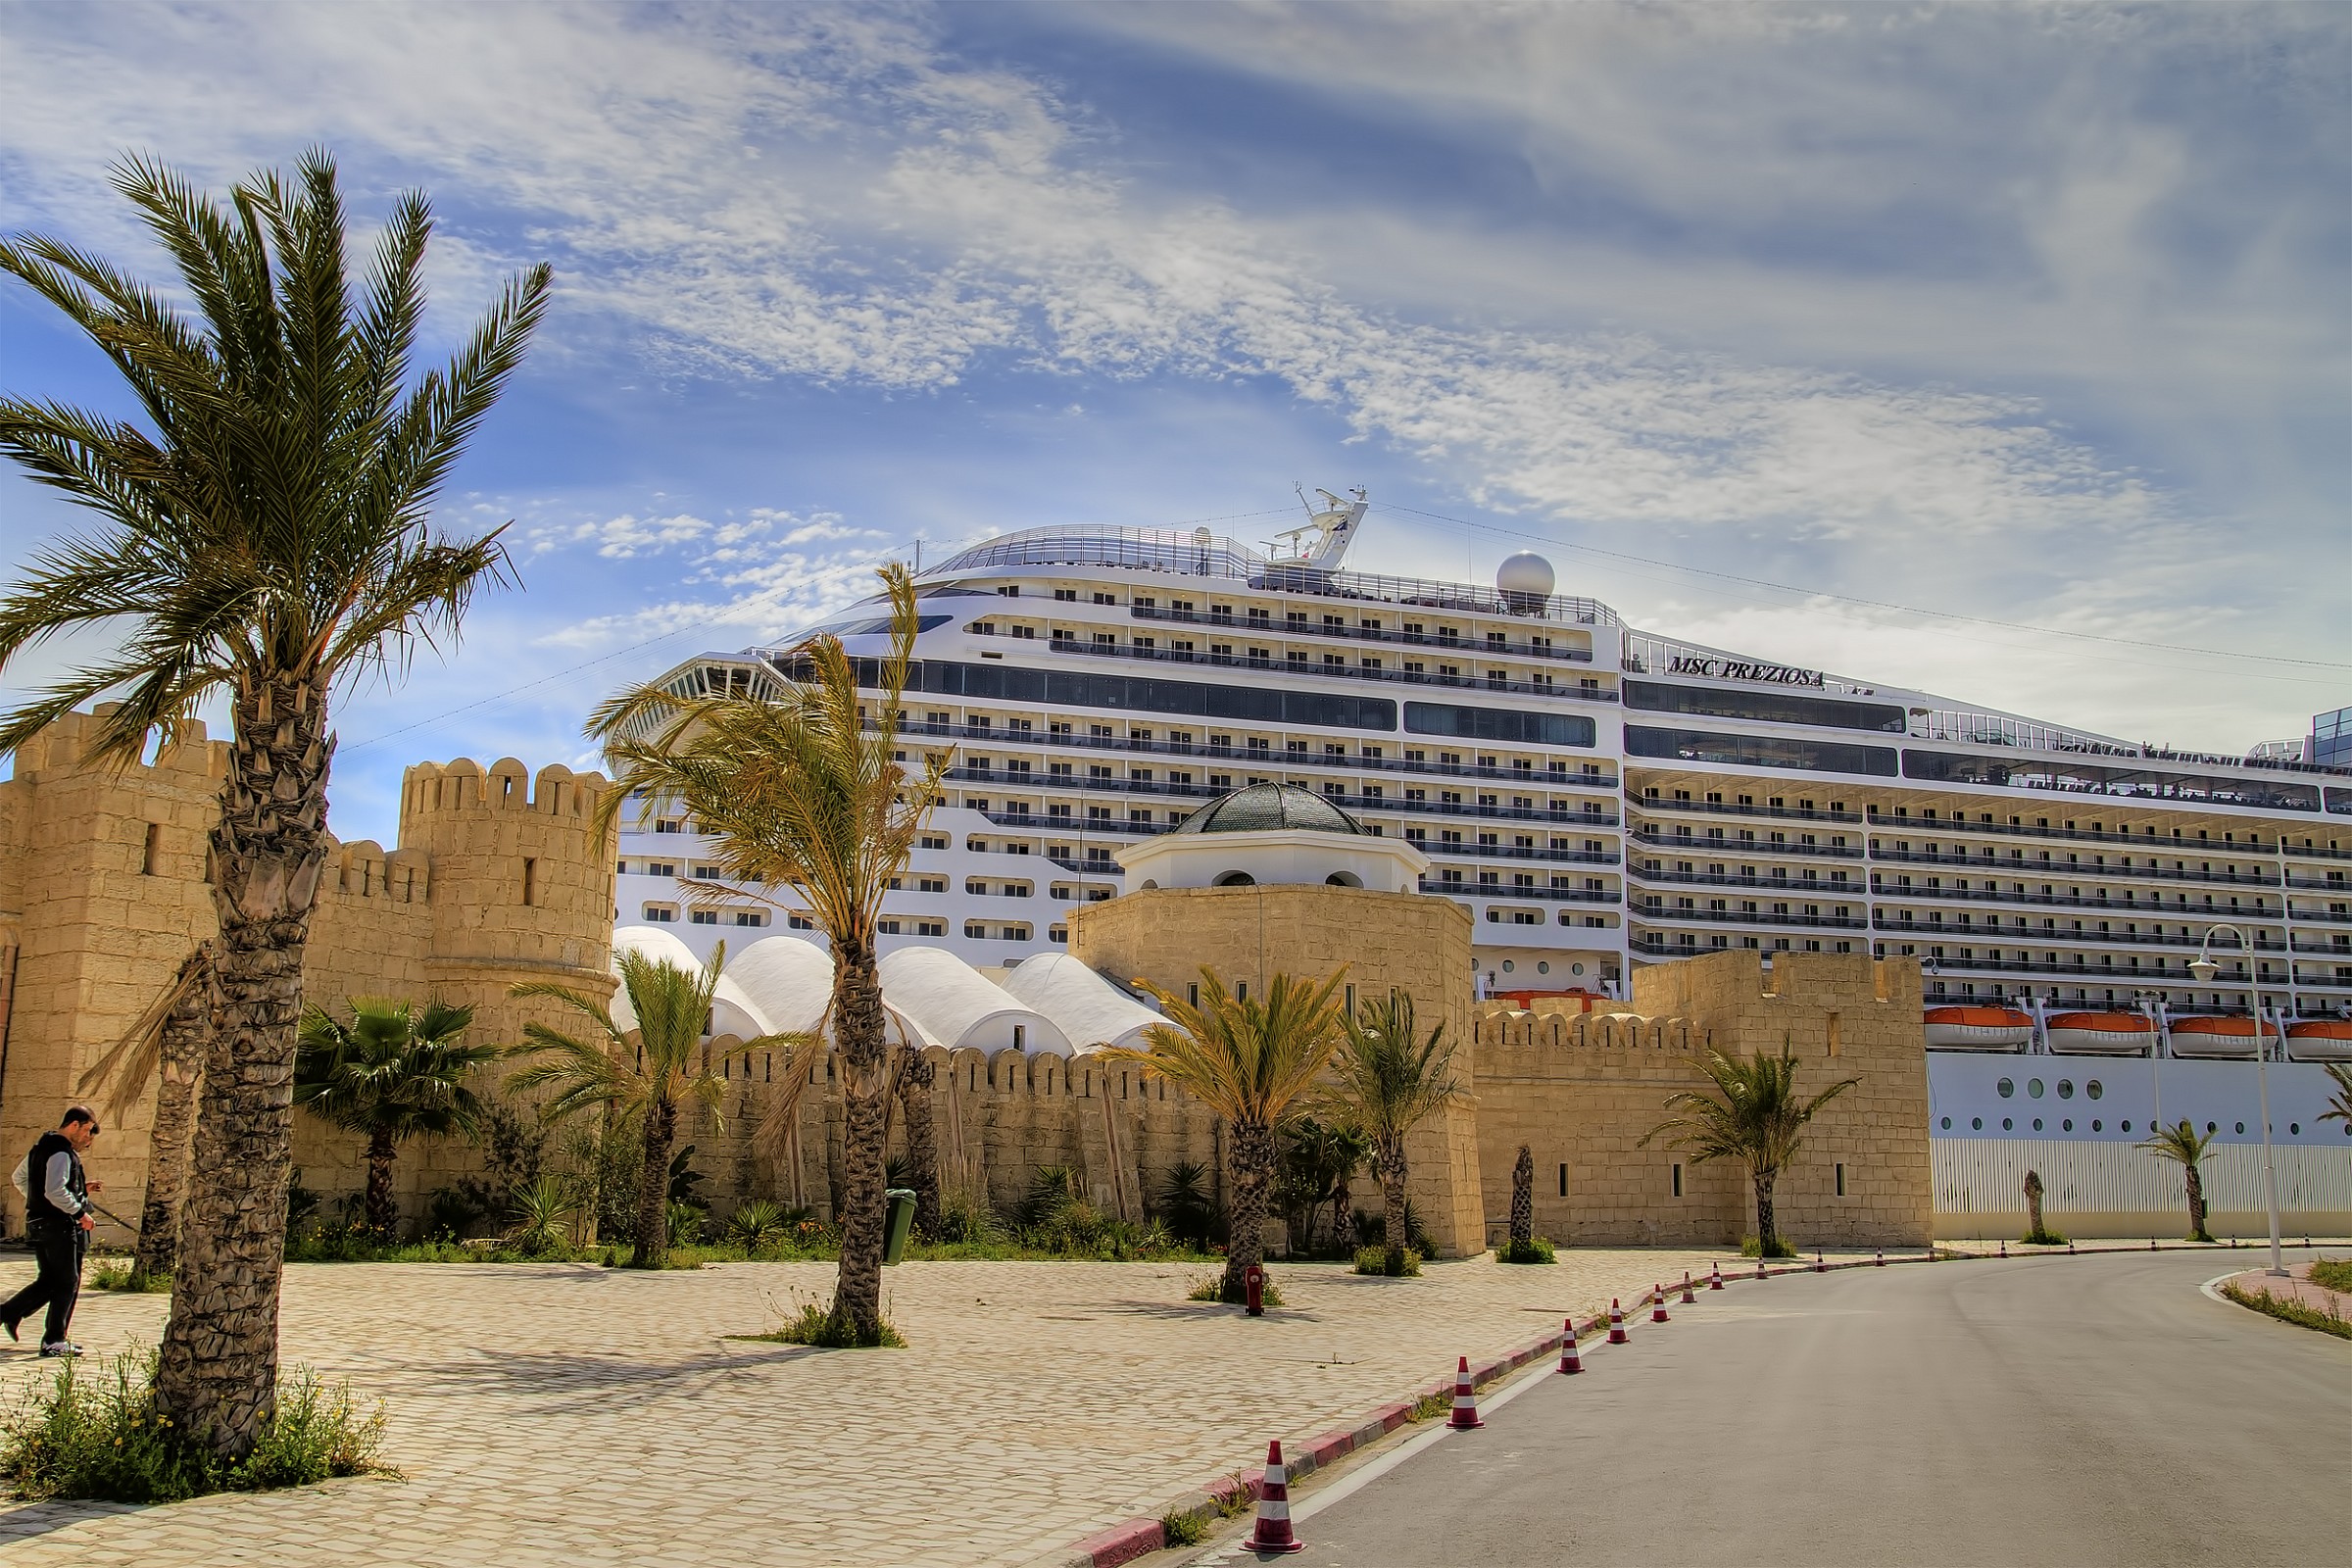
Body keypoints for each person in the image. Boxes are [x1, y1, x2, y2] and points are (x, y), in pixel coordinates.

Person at [3, 1106, 103, 1355]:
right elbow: (55, 1191)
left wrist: (80, 1190)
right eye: (88, 1131)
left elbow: (22, 1179)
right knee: (68, 1281)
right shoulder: (61, 1152)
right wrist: (80, 1213)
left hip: (41, 1224)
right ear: (74, 1125)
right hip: (59, 1228)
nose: (88, 1140)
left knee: (50, 1280)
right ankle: (54, 1340)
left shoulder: (40, 1147)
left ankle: (8, 1314)